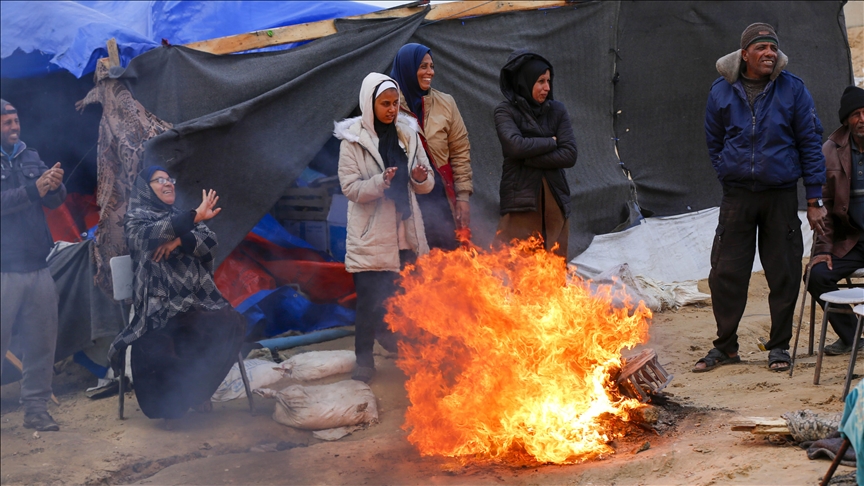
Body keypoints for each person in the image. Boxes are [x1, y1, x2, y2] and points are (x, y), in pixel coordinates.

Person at [696, 23, 827, 373]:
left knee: (782, 271)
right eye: (761, 47)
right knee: (725, 272)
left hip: (781, 195)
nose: (769, 53)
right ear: (745, 54)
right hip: (737, 195)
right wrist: (727, 170)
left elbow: (811, 144)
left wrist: (814, 199)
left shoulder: (793, 89)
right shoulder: (721, 91)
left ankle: (779, 347)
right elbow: (714, 141)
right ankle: (725, 347)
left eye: (773, 47)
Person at [108, 166, 245, 419]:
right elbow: (150, 236)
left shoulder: (182, 216)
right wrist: (191, 220)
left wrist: (180, 240)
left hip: (193, 302)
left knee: (230, 323)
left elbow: (210, 244)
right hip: (156, 309)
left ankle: (197, 393)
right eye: (159, 180)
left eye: (169, 179)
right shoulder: (136, 219)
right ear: (145, 189)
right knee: (160, 344)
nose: (168, 183)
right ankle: (172, 407)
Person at [334, 73, 434, 383]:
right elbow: (350, 188)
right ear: (369, 104)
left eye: (395, 103)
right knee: (369, 303)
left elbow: (427, 183)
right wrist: (381, 182)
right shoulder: (353, 140)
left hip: (405, 232)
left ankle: (409, 353)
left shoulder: (408, 135)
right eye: (385, 104)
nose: (392, 110)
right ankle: (364, 361)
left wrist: (418, 176)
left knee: (408, 298)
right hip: (371, 237)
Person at [0, 98, 66, 431]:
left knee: (42, 341)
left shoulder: (30, 155)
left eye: (16, 120)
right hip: (3, 270)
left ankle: (36, 409)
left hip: (38, 265)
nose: (14, 127)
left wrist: (55, 184)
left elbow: (52, 200)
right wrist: (33, 189)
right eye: (7, 122)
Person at [493, 50, 578, 257]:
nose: (547, 88)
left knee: (554, 266)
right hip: (521, 200)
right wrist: (551, 142)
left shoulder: (557, 110)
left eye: (549, 81)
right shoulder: (505, 111)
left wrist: (527, 156)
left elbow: (569, 154)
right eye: (540, 81)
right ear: (525, 81)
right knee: (522, 266)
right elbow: (515, 147)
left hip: (555, 197)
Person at [390, 43, 472, 250]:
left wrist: (462, 196)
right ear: (407, 68)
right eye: (423, 66)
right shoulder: (388, 105)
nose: (430, 72)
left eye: (432, 66)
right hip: (405, 196)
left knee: (449, 254)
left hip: (442, 194)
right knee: (413, 260)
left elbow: (460, 152)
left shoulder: (446, 103)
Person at [808, 85, 864, 356]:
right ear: (846, 120)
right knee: (816, 275)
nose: (862, 119)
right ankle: (853, 337)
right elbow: (824, 209)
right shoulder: (830, 151)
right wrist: (823, 251)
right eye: (856, 114)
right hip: (850, 241)